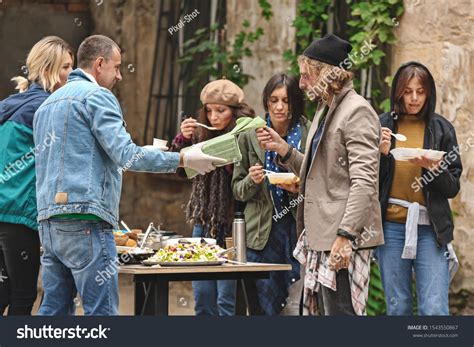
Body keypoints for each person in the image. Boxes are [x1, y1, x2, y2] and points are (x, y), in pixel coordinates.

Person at [33, 35, 224, 316]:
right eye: (117, 67)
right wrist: (182, 159)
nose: (120, 75)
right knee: (103, 313)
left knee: (53, 311)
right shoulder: (98, 96)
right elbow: (126, 155)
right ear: (99, 64)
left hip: (49, 220)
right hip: (87, 218)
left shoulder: (47, 104)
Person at [256, 34, 384, 315]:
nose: (301, 84)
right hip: (322, 235)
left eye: (306, 76)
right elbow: (318, 172)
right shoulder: (325, 109)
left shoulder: (357, 111)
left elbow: (364, 182)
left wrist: (346, 235)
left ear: (327, 74)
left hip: (340, 237)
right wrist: (284, 150)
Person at [376, 61, 462, 315]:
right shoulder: (382, 126)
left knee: (434, 307)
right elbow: (368, 182)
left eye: (420, 92)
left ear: (429, 94)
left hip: (430, 228)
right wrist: (381, 155)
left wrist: (434, 170)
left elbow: (453, 187)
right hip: (391, 227)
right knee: (397, 306)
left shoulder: (441, 129)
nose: (414, 98)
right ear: (397, 92)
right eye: (407, 91)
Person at [0, 36, 74, 315]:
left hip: (4, 212)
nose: (70, 74)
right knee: (22, 294)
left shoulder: (10, 104)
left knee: (5, 289)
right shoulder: (46, 108)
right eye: (65, 67)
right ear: (48, 69)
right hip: (21, 214)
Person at [171, 78, 255, 316]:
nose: (213, 117)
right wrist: (183, 139)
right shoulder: (199, 135)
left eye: (221, 110)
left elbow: (245, 181)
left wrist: (227, 154)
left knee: (225, 301)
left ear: (235, 112)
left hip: (232, 225)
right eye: (209, 111)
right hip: (202, 222)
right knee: (202, 297)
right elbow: (179, 170)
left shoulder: (245, 135)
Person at [232, 73, 310, 315]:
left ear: (295, 103)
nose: (279, 107)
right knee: (262, 307)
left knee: (298, 305)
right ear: (266, 102)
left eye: (286, 101)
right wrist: (252, 180)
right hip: (261, 234)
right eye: (274, 100)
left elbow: (322, 184)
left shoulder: (309, 134)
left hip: (299, 230)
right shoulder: (249, 135)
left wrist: (299, 188)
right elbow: (237, 190)